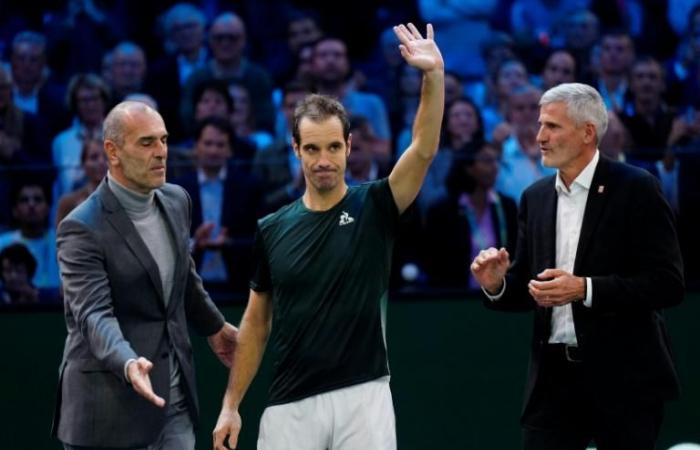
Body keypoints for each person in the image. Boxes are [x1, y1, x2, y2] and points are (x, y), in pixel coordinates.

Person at [212, 23, 444, 450]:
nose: (324, 160)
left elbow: (424, 148)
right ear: (296, 149)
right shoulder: (272, 228)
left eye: (333, 148)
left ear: (349, 147)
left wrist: (433, 76)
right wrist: (231, 405)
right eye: (313, 149)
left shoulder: (375, 205)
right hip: (288, 406)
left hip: (365, 397)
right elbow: (256, 322)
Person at [470, 83, 684, 450]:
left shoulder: (636, 188)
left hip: (624, 376)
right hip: (552, 379)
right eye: (540, 125)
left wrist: (584, 289)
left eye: (552, 126)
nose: (539, 136)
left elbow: (667, 283)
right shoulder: (534, 197)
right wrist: (497, 285)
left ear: (587, 132)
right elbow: (531, 288)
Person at [52, 101, 238, 450]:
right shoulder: (80, 227)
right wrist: (127, 362)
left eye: (164, 140)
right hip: (107, 408)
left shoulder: (176, 200)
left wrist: (216, 327)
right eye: (147, 142)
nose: (161, 152)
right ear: (113, 151)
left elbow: (184, 277)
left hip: (174, 399)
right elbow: (93, 315)